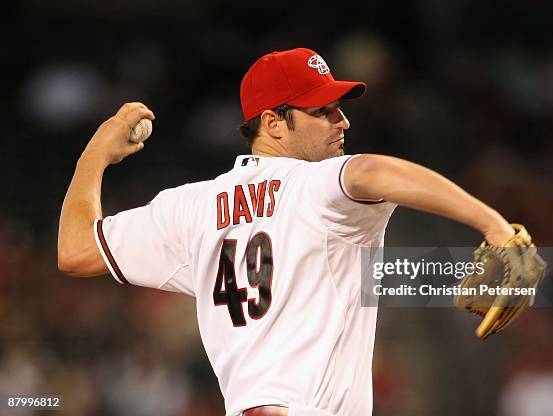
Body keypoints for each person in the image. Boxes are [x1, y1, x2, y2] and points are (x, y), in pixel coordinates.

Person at [58, 47, 516, 416]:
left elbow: (75, 251)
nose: (344, 122)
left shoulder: (188, 207)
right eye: (324, 111)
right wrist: (493, 226)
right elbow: (374, 170)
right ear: (273, 122)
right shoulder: (315, 186)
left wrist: (94, 156)